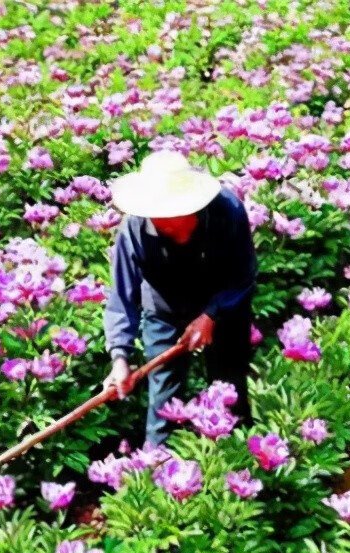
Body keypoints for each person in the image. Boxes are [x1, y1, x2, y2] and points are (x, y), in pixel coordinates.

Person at [102, 150, 257, 446]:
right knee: (163, 402)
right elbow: (122, 297)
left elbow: (243, 274)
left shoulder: (227, 210)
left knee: (230, 389)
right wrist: (119, 357)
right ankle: (156, 464)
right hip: (164, 310)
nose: (168, 223)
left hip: (225, 306)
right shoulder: (134, 228)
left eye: (175, 214)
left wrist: (211, 314)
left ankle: (236, 458)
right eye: (160, 216)